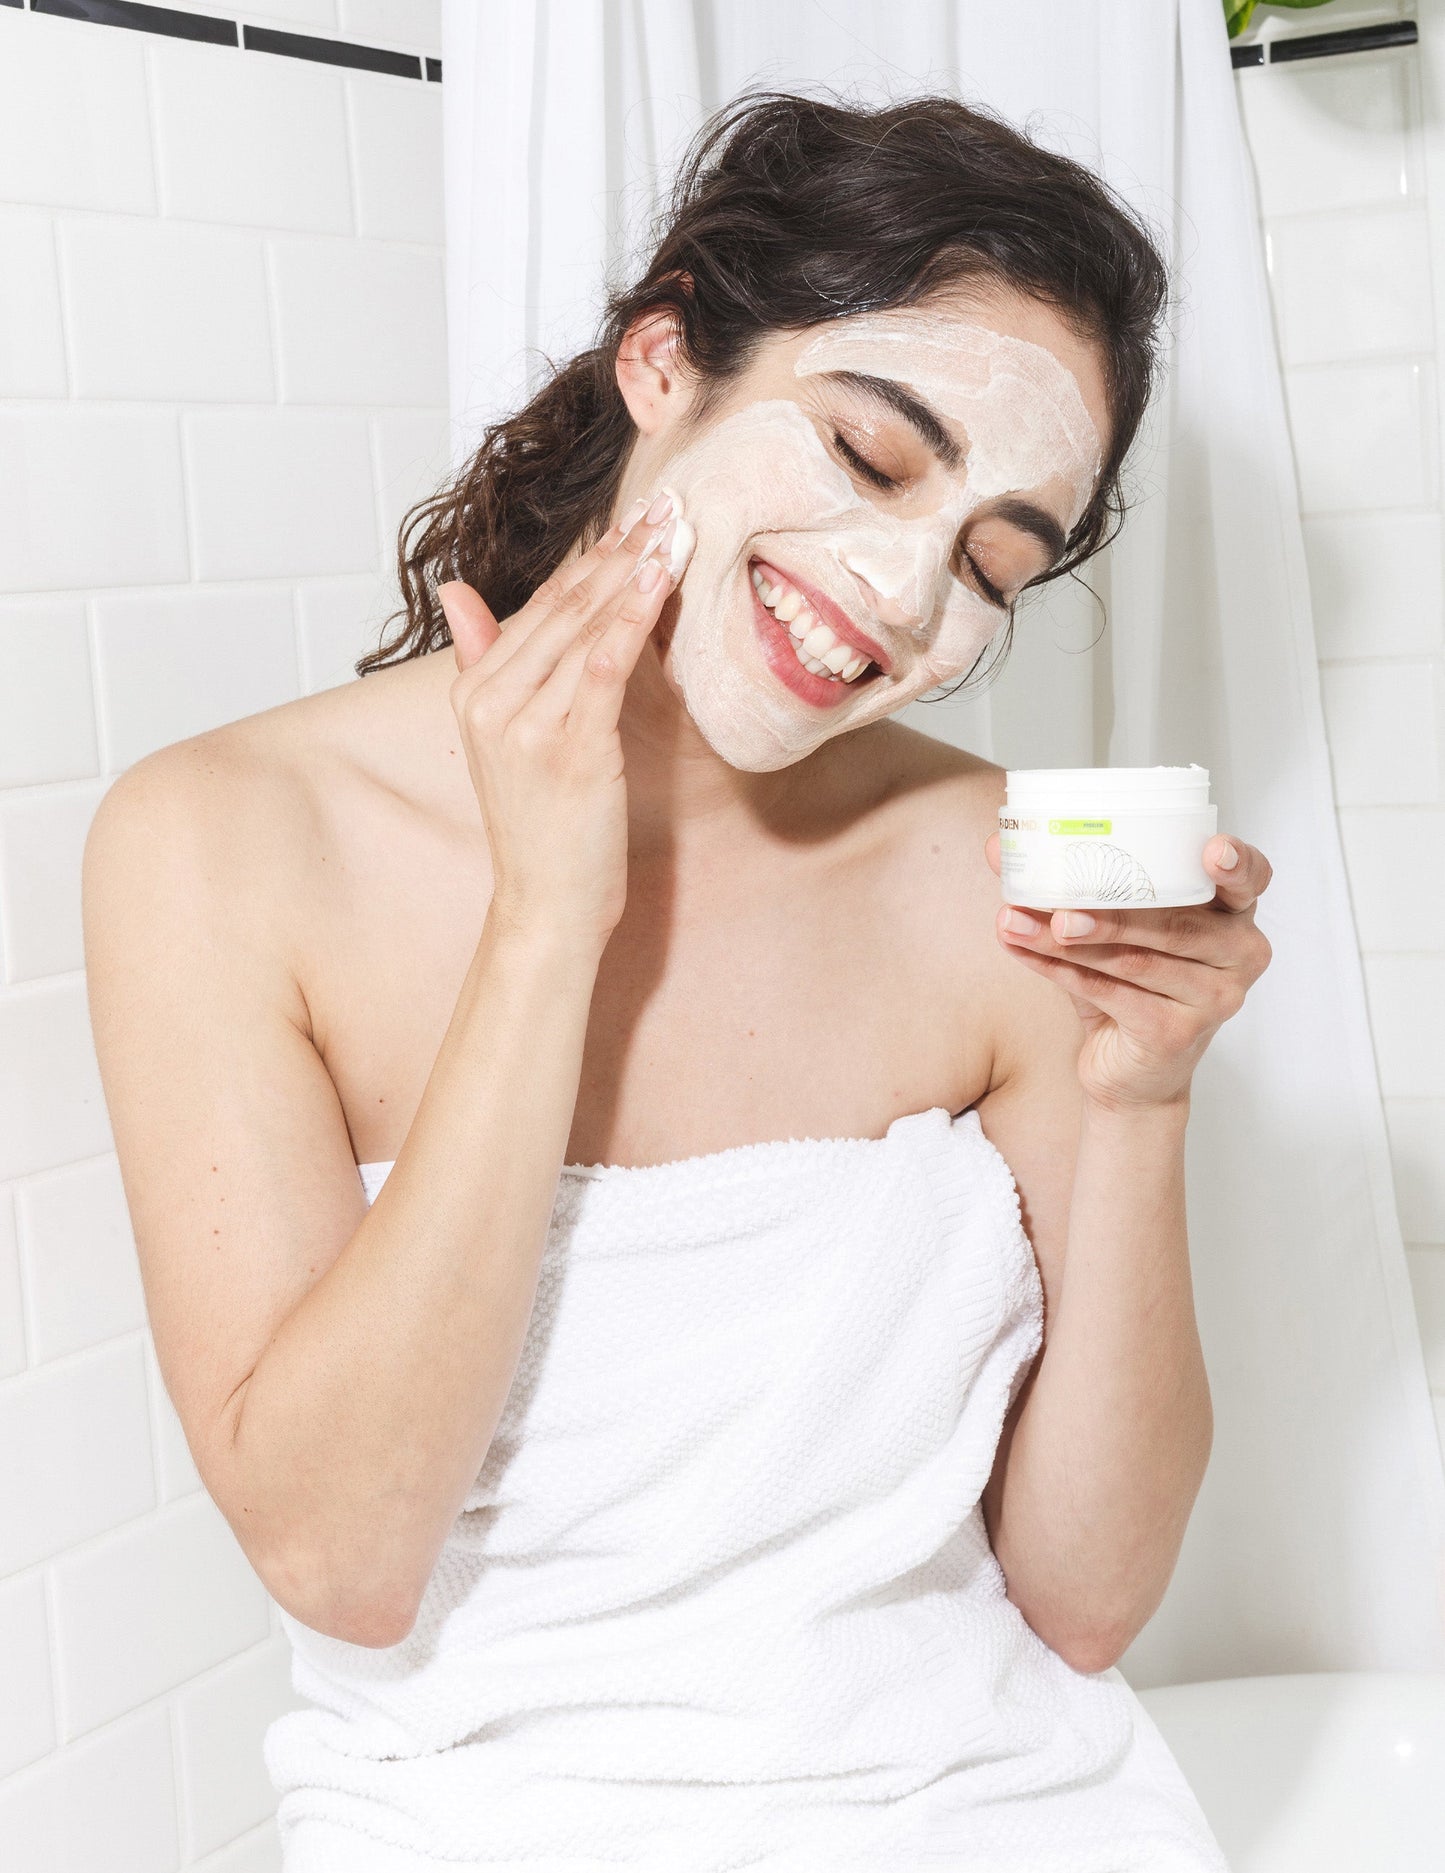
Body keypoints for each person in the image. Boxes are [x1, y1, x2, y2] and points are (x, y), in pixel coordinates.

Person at [83, 90, 1271, 1869]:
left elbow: (1087, 1603)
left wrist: (1143, 1101)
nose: (905, 595)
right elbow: (341, 1558)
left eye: (990, 562)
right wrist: (546, 922)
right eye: (871, 454)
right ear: (662, 361)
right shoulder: (228, 840)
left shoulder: (995, 874)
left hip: (988, 1813)